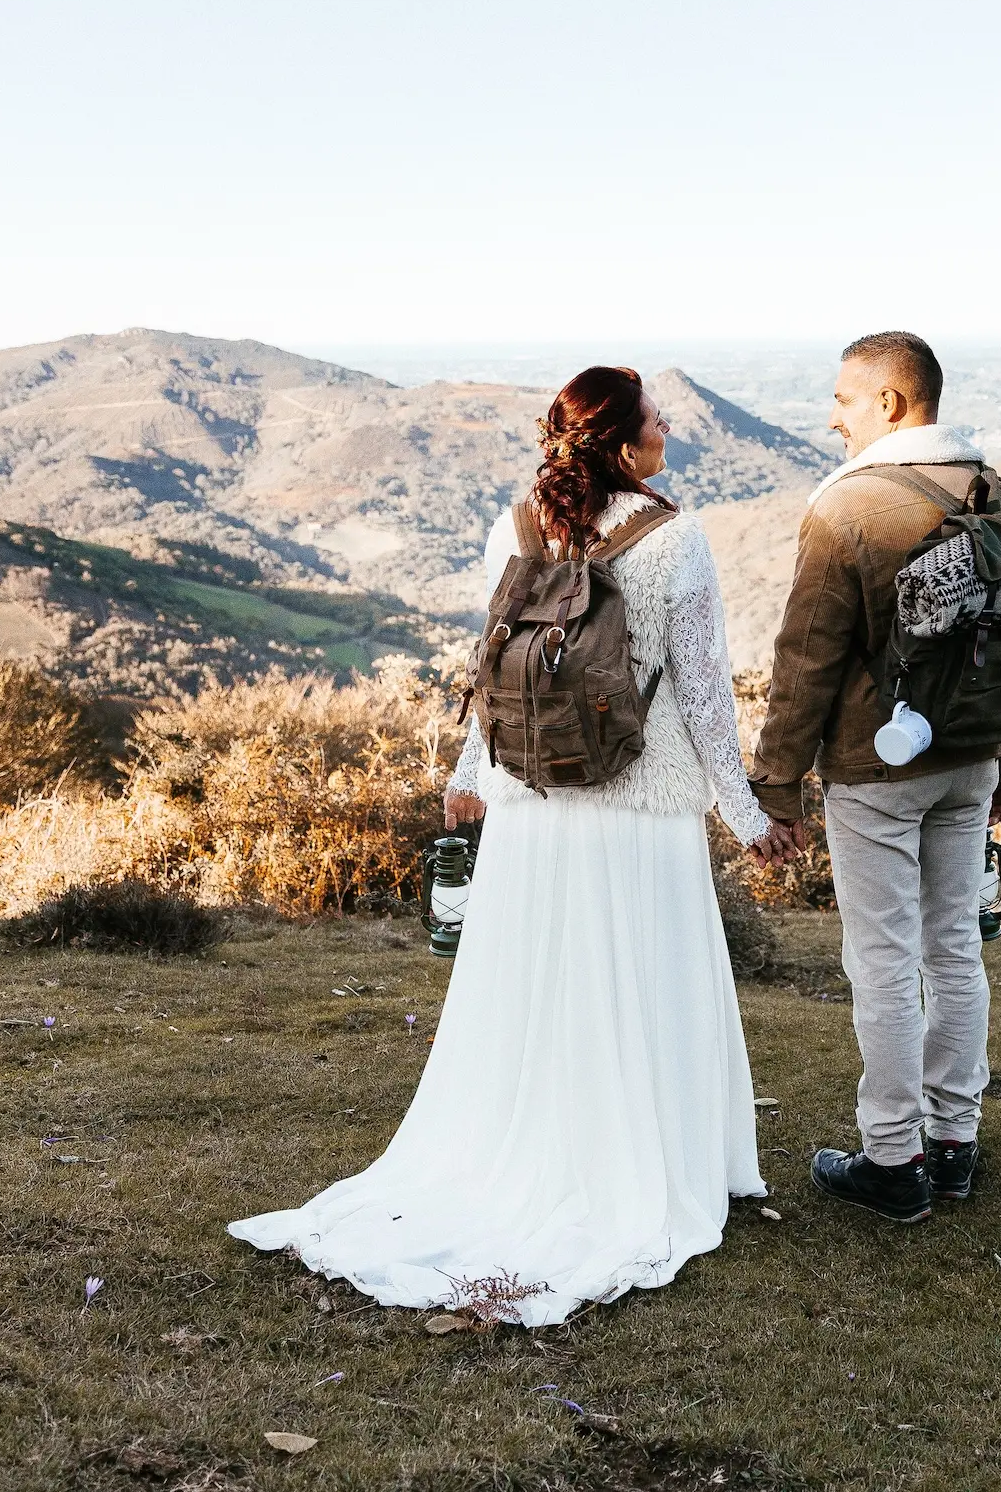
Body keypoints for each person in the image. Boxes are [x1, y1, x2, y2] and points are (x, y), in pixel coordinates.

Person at [228, 367, 772, 1324]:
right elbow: (703, 694)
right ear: (624, 443)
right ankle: (637, 1162)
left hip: (532, 802)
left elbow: (494, 665)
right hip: (638, 808)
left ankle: (526, 1152)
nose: (669, 428)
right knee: (640, 984)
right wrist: (748, 814)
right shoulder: (675, 537)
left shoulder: (515, 526)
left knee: (536, 988)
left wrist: (473, 772)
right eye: (657, 418)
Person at [748, 331, 1001, 1223]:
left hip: (877, 765)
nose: (832, 415)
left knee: (882, 961)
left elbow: (805, 659)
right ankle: (954, 1144)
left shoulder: (849, 508)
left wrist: (776, 786)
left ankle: (893, 1158)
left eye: (843, 398)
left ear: (890, 403)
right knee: (954, 947)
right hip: (972, 757)